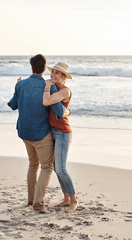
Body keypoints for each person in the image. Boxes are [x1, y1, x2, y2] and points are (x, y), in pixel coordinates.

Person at [7, 54, 70, 213]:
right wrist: (67, 111)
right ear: (44, 68)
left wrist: (18, 86)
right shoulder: (49, 86)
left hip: (24, 132)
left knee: (33, 164)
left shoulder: (21, 85)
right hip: (41, 134)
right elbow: (57, 112)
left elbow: (13, 105)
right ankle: (38, 204)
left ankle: (30, 199)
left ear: (32, 67)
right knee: (47, 167)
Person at [43, 62, 78, 212]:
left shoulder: (64, 91)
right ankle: (66, 198)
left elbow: (49, 101)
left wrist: (46, 85)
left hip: (63, 132)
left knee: (61, 169)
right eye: (52, 72)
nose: (53, 75)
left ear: (64, 76)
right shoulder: (54, 87)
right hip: (53, 130)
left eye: (57, 73)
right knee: (57, 169)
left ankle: (74, 200)